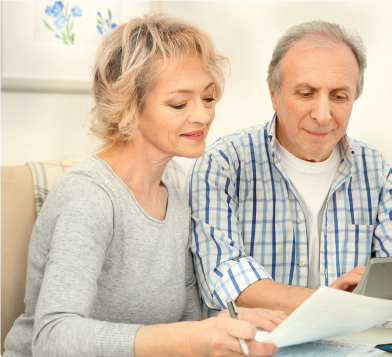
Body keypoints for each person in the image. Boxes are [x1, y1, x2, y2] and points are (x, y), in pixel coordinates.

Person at [3, 14, 286, 357]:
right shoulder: (89, 196)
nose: (203, 115)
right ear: (129, 108)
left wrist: (225, 324)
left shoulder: (176, 199)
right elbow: (52, 337)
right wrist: (189, 338)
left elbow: (185, 322)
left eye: (208, 98)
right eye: (179, 103)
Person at [187, 20, 392, 317]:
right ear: (274, 94)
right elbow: (221, 276)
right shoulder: (222, 165)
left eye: (339, 96)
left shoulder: (379, 171)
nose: (323, 116)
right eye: (306, 94)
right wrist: (325, 302)